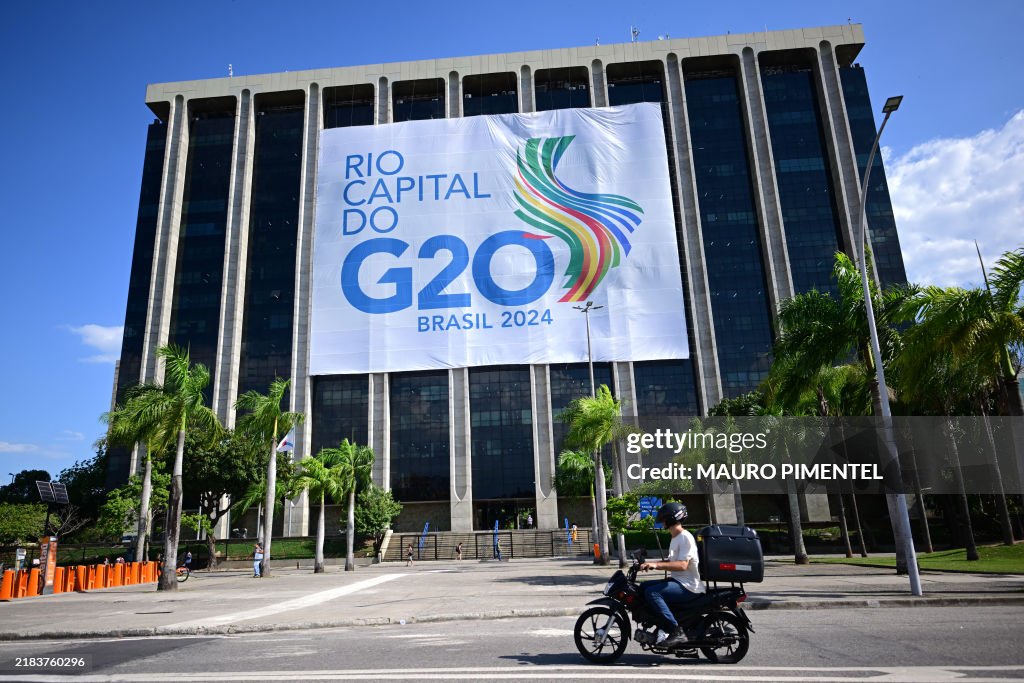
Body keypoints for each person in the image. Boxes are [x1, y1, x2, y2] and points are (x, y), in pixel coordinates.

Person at [638, 502, 705, 649]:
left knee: (653, 592)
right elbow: (671, 561)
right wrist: (650, 563)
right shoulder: (675, 537)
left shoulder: (685, 537)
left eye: (663, 520)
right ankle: (660, 624)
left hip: (689, 586)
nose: (662, 523)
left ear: (670, 519)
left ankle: (676, 630)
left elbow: (682, 565)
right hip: (679, 581)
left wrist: (657, 565)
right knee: (643, 587)